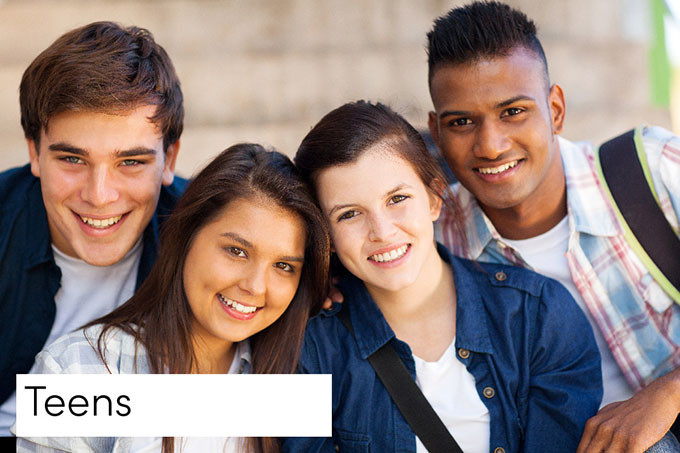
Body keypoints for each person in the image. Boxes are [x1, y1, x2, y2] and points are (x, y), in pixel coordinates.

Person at [426, 2, 680, 451]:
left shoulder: (651, 170)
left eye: (513, 112)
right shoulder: (432, 240)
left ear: (556, 109)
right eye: (462, 122)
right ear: (437, 132)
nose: (491, 145)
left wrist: (668, 394)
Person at [281, 100, 602, 452]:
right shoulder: (310, 347)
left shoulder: (539, 316)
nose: (382, 232)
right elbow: (216, 417)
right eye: (349, 214)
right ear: (324, 234)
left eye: (397, 198)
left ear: (434, 198)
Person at [14, 143, 331, 453]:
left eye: (283, 266)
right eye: (236, 251)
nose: (256, 286)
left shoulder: (299, 376)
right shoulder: (76, 371)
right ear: (186, 237)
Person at [0, 21, 187, 435]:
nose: (100, 195)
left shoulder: (211, 229)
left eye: (131, 162)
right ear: (34, 152)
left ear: (168, 160)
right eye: (72, 159)